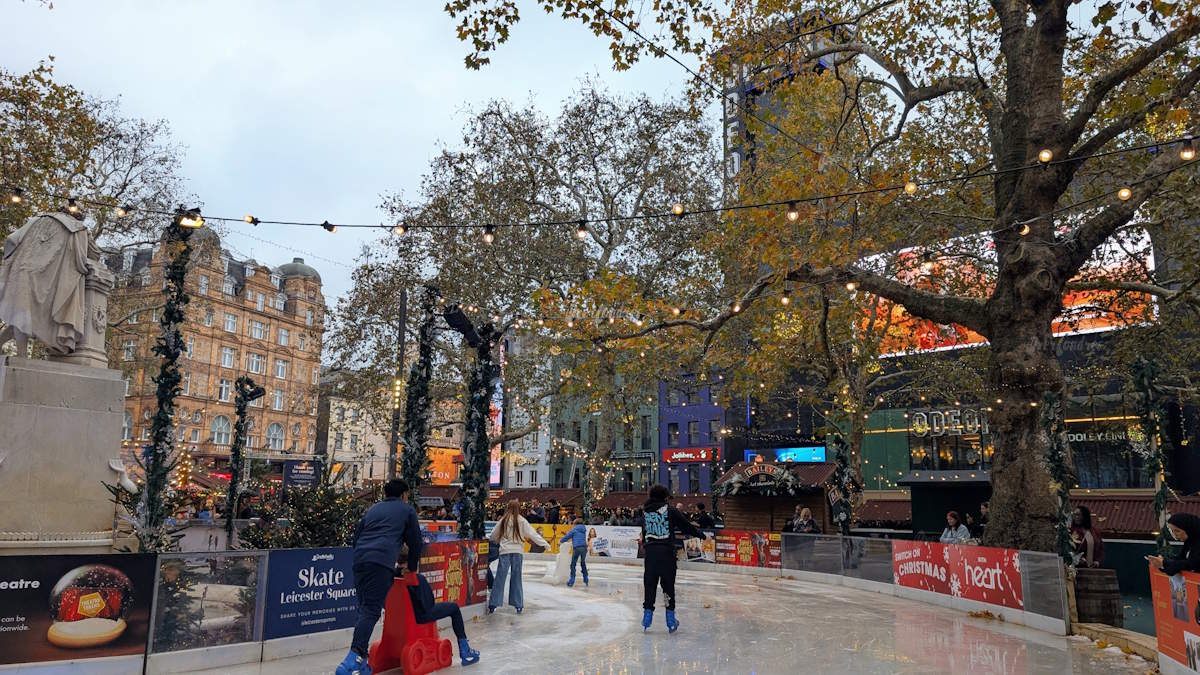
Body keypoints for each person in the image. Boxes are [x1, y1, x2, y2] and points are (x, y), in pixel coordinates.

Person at [337, 479, 423, 675]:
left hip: (360, 561)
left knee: (364, 609)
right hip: (381, 562)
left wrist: (362, 555)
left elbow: (356, 536)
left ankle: (361, 660)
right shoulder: (407, 510)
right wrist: (411, 568)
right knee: (371, 611)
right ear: (404, 495)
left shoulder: (373, 509)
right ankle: (353, 659)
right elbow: (416, 543)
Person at [642, 484, 708, 633]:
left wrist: (647, 545)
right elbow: (686, 526)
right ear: (665, 497)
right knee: (667, 586)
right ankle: (670, 620)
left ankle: (647, 617)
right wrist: (701, 535)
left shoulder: (646, 512)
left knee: (650, 584)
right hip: (667, 553)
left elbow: (644, 531)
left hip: (651, 554)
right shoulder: (671, 511)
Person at [488, 500, 549, 614]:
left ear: (508, 508)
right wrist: (545, 544)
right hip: (517, 552)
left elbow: (493, 535)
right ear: (518, 509)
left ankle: (493, 604)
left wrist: (496, 541)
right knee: (516, 577)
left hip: (505, 551)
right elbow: (533, 534)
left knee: (500, 577)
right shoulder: (522, 520)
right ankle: (518, 604)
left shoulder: (503, 520)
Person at [407, 570, 480, 666]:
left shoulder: (394, 576)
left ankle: (464, 647)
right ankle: (464, 648)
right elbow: (429, 605)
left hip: (408, 615)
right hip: (421, 615)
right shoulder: (417, 578)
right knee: (454, 608)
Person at [560, 517, 589, 587]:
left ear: (575, 524)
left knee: (573, 564)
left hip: (577, 548)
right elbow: (576, 536)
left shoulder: (574, 529)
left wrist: (561, 541)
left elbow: (568, 536)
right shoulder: (583, 529)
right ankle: (586, 579)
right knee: (583, 563)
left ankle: (571, 580)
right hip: (584, 548)